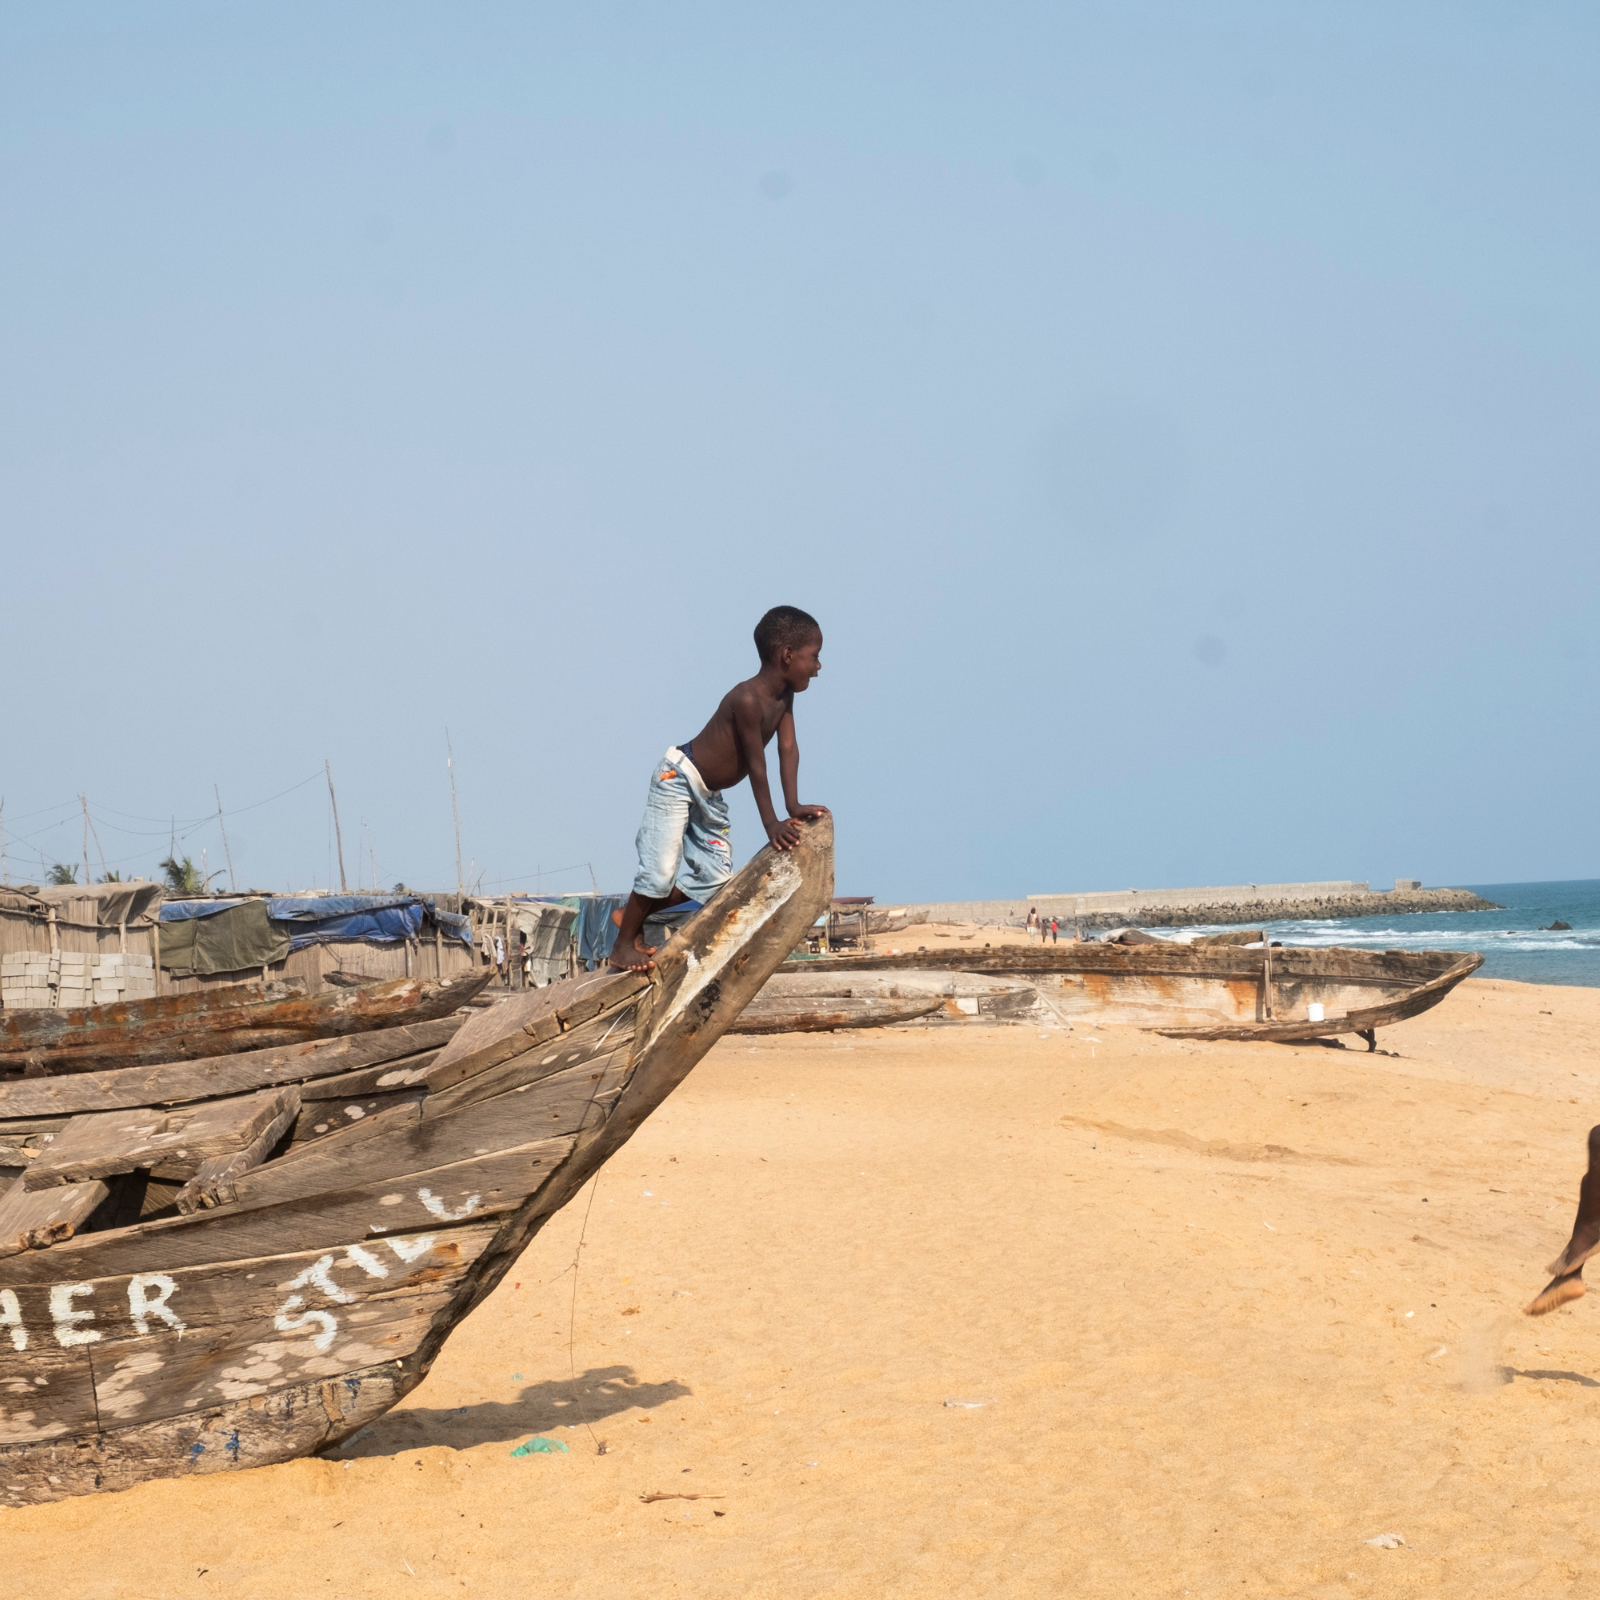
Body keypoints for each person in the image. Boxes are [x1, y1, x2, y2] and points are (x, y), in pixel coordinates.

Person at [608, 605, 831, 972]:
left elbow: (787, 748)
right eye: (815, 656)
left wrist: (792, 805)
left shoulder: (784, 697)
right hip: (677, 779)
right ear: (788, 656)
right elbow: (757, 765)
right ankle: (622, 946)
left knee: (715, 880)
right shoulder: (747, 699)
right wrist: (771, 823)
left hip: (708, 796)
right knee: (660, 869)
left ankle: (629, 915)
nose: (818, 667)